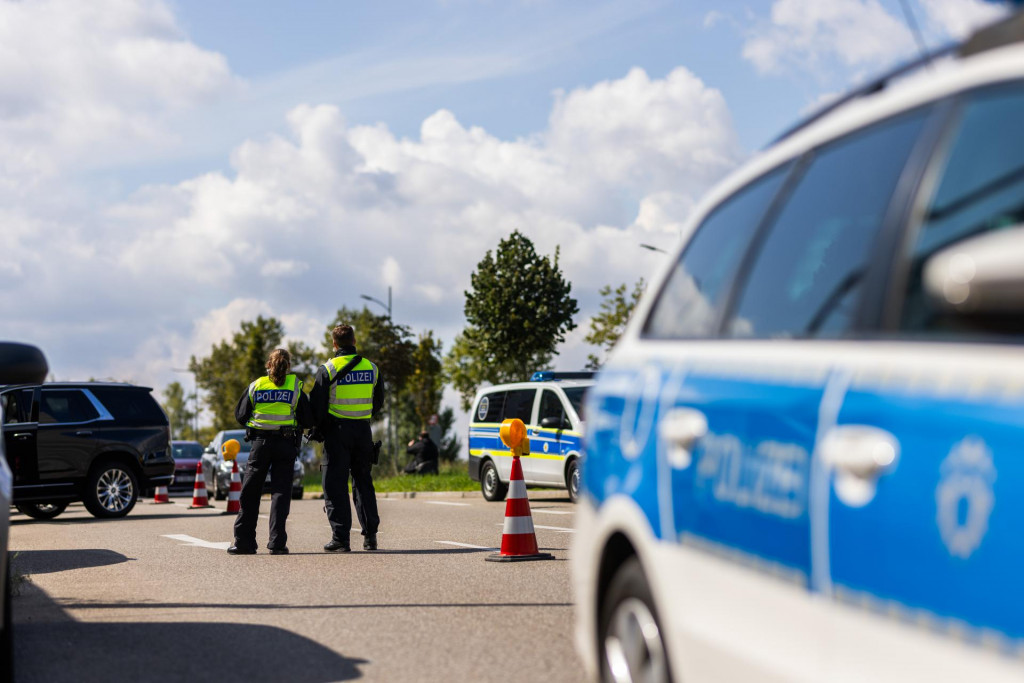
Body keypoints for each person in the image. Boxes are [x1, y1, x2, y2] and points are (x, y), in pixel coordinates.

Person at [228, 348, 313, 555]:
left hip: (260, 444)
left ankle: (244, 542)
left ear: (268, 365)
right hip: (286, 444)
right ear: (288, 366)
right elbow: (309, 419)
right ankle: (277, 543)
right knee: (280, 493)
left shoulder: (256, 385)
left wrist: (256, 423)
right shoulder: (295, 387)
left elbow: (240, 414)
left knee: (250, 492)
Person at [310, 324, 385, 552]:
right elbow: (378, 402)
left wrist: (319, 429)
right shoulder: (372, 368)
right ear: (354, 341)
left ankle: (341, 539)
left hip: (337, 433)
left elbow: (317, 407)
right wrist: (361, 416)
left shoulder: (328, 369)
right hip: (363, 431)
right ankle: (370, 536)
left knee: (335, 485)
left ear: (334, 344)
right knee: (363, 482)